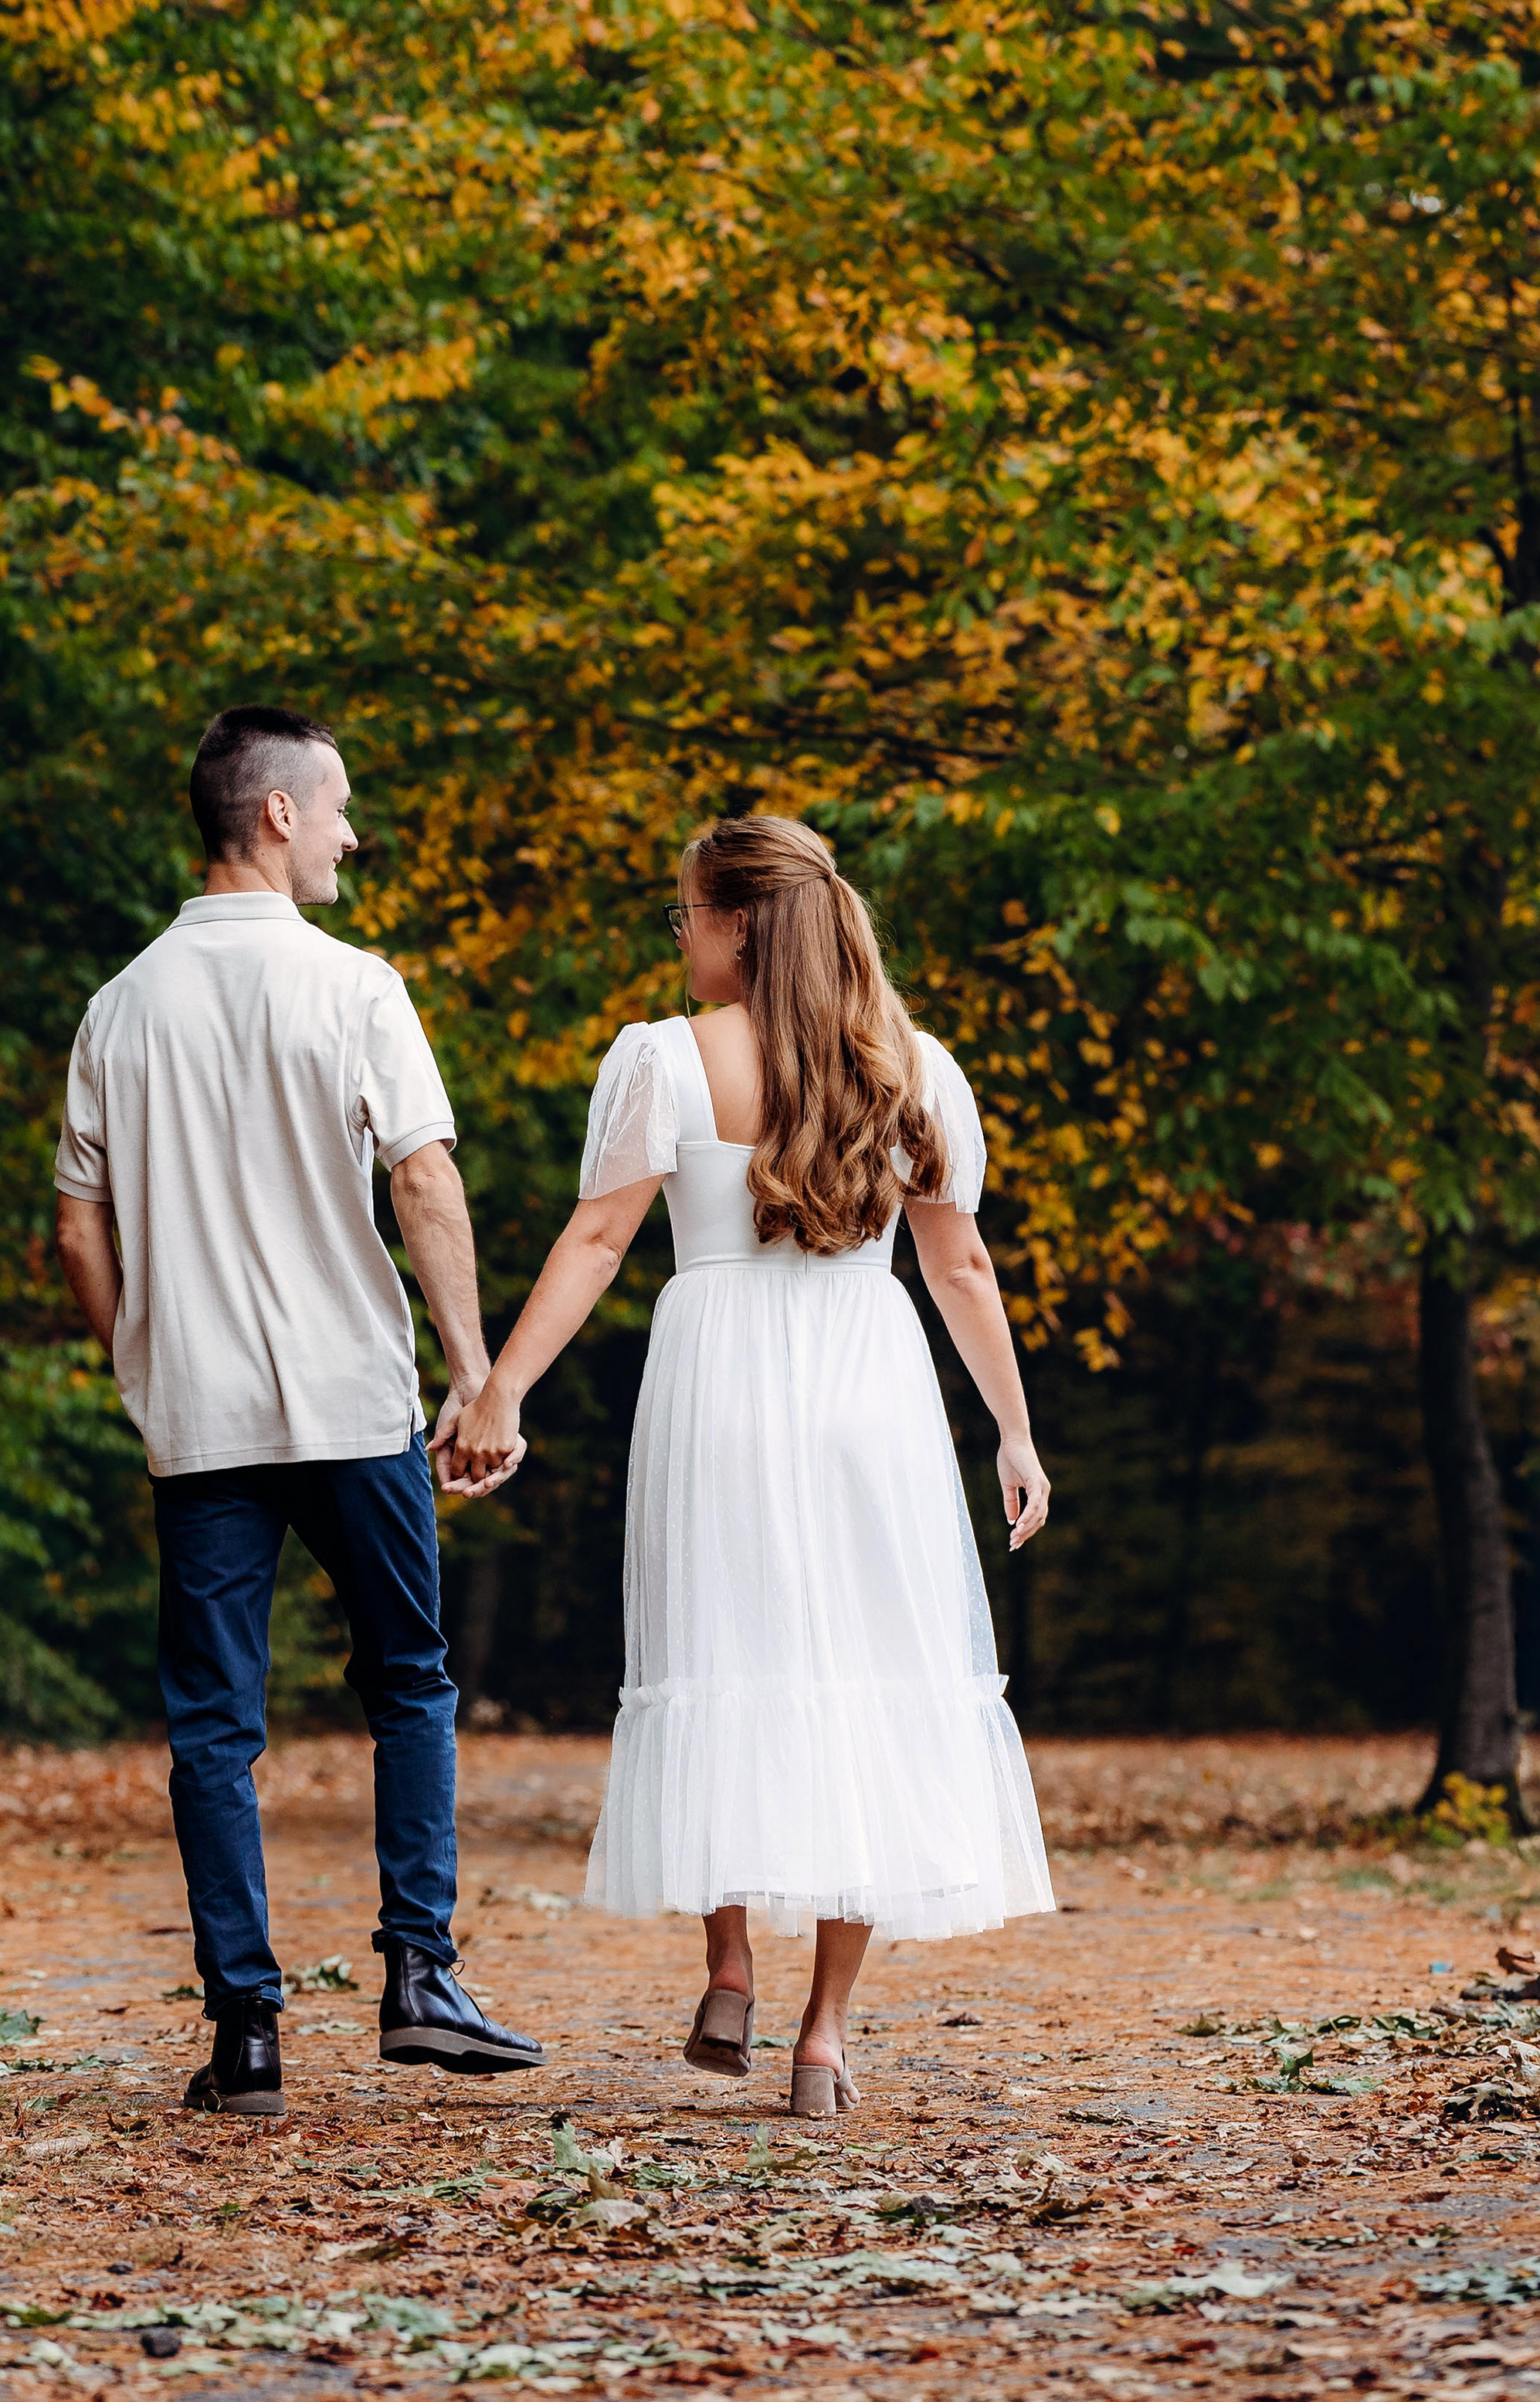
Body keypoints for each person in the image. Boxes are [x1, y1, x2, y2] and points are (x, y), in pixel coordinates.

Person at [443, 813, 1057, 2115]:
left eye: (686, 915)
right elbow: (960, 1265)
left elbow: (599, 1243)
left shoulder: (664, 1061)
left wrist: (502, 1387)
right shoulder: (914, 1067)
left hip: (716, 1379)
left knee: (716, 1654)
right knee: (868, 1678)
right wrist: (1013, 1429)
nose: (679, 938)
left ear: (737, 923)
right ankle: (825, 2039)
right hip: (867, 1383)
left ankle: (728, 1966)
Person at [53, 702, 541, 2123]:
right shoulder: (354, 988)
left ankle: (247, 2035)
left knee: (214, 1726)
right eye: (336, 809)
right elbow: (426, 1182)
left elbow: (81, 1234)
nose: (349, 833)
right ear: (274, 815)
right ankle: (419, 1979)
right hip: (347, 1399)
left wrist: (140, 1358)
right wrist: (472, 1374)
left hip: (197, 1416)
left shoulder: (119, 1006)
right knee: (408, 1684)